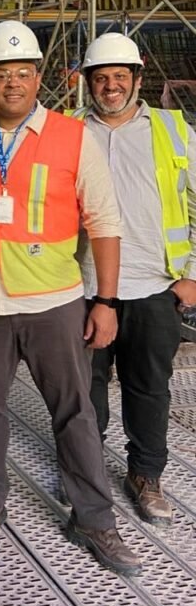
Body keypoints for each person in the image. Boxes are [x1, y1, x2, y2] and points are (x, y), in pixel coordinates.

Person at [0, 20, 142, 576]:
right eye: (1, 74)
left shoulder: (72, 136)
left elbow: (105, 222)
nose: (12, 83)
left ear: (37, 76)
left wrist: (106, 303)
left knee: (75, 412)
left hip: (53, 304)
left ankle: (94, 518)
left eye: (22, 73)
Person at [71, 32, 196, 525]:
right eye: (101, 79)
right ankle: (86, 473)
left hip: (153, 285)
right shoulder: (70, 132)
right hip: (83, 286)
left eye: (120, 77)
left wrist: (191, 275)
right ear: (88, 84)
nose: (111, 87)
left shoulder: (173, 129)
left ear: (137, 80)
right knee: (84, 389)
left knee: (149, 387)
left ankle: (145, 475)